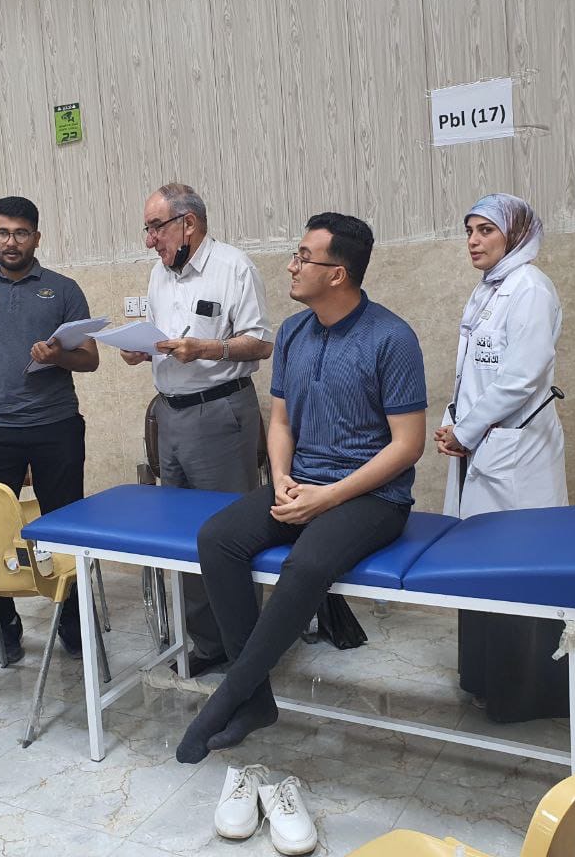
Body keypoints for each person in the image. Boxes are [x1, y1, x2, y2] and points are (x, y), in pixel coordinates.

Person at [177, 213, 427, 763]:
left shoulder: (392, 338)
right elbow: (282, 421)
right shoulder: (292, 332)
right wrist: (283, 478)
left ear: (337, 273)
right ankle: (257, 701)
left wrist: (329, 497)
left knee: (307, 565)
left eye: (303, 257)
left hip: (373, 498)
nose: (291, 266)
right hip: (300, 482)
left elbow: (408, 445)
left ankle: (229, 696)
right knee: (217, 539)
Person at [121, 183, 274, 675]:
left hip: (220, 413)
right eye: (147, 229)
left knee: (229, 531)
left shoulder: (234, 267)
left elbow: (260, 343)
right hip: (170, 414)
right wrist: (140, 349)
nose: (150, 240)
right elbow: (158, 337)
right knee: (183, 533)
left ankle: (246, 648)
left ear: (188, 223)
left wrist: (206, 349)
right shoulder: (158, 274)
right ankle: (208, 643)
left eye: (156, 228)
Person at [0, 195, 99, 662]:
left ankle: (73, 622)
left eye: (21, 233)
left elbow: (90, 359)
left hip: (57, 427)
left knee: (65, 528)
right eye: (3, 233)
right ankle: (4, 624)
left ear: (36, 237)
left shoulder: (64, 290)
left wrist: (59, 356)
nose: (11, 242)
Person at [434, 192, 569, 723]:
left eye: (485, 230)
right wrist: (454, 422)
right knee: (481, 566)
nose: (473, 241)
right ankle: (485, 678)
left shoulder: (530, 288)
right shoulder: (490, 290)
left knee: (517, 568)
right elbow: (471, 373)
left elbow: (521, 378)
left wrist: (466, 431)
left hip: (515, 451)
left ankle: (526, 695)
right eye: (469, 231)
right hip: (480, 443)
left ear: (515, 233)